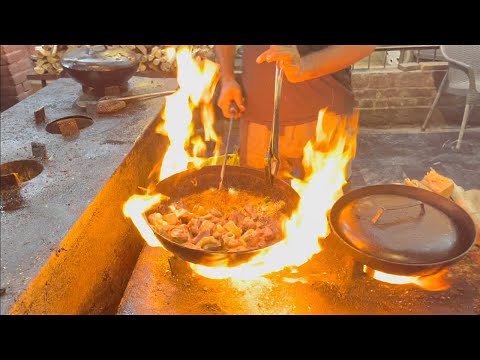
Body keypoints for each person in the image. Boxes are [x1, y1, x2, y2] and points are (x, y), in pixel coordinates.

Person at [215, 45, 376, 180]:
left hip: (322, 121)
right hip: (257, 121)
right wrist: (228, 78)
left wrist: (305, 67)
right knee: (253, 209)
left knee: (325, 212)